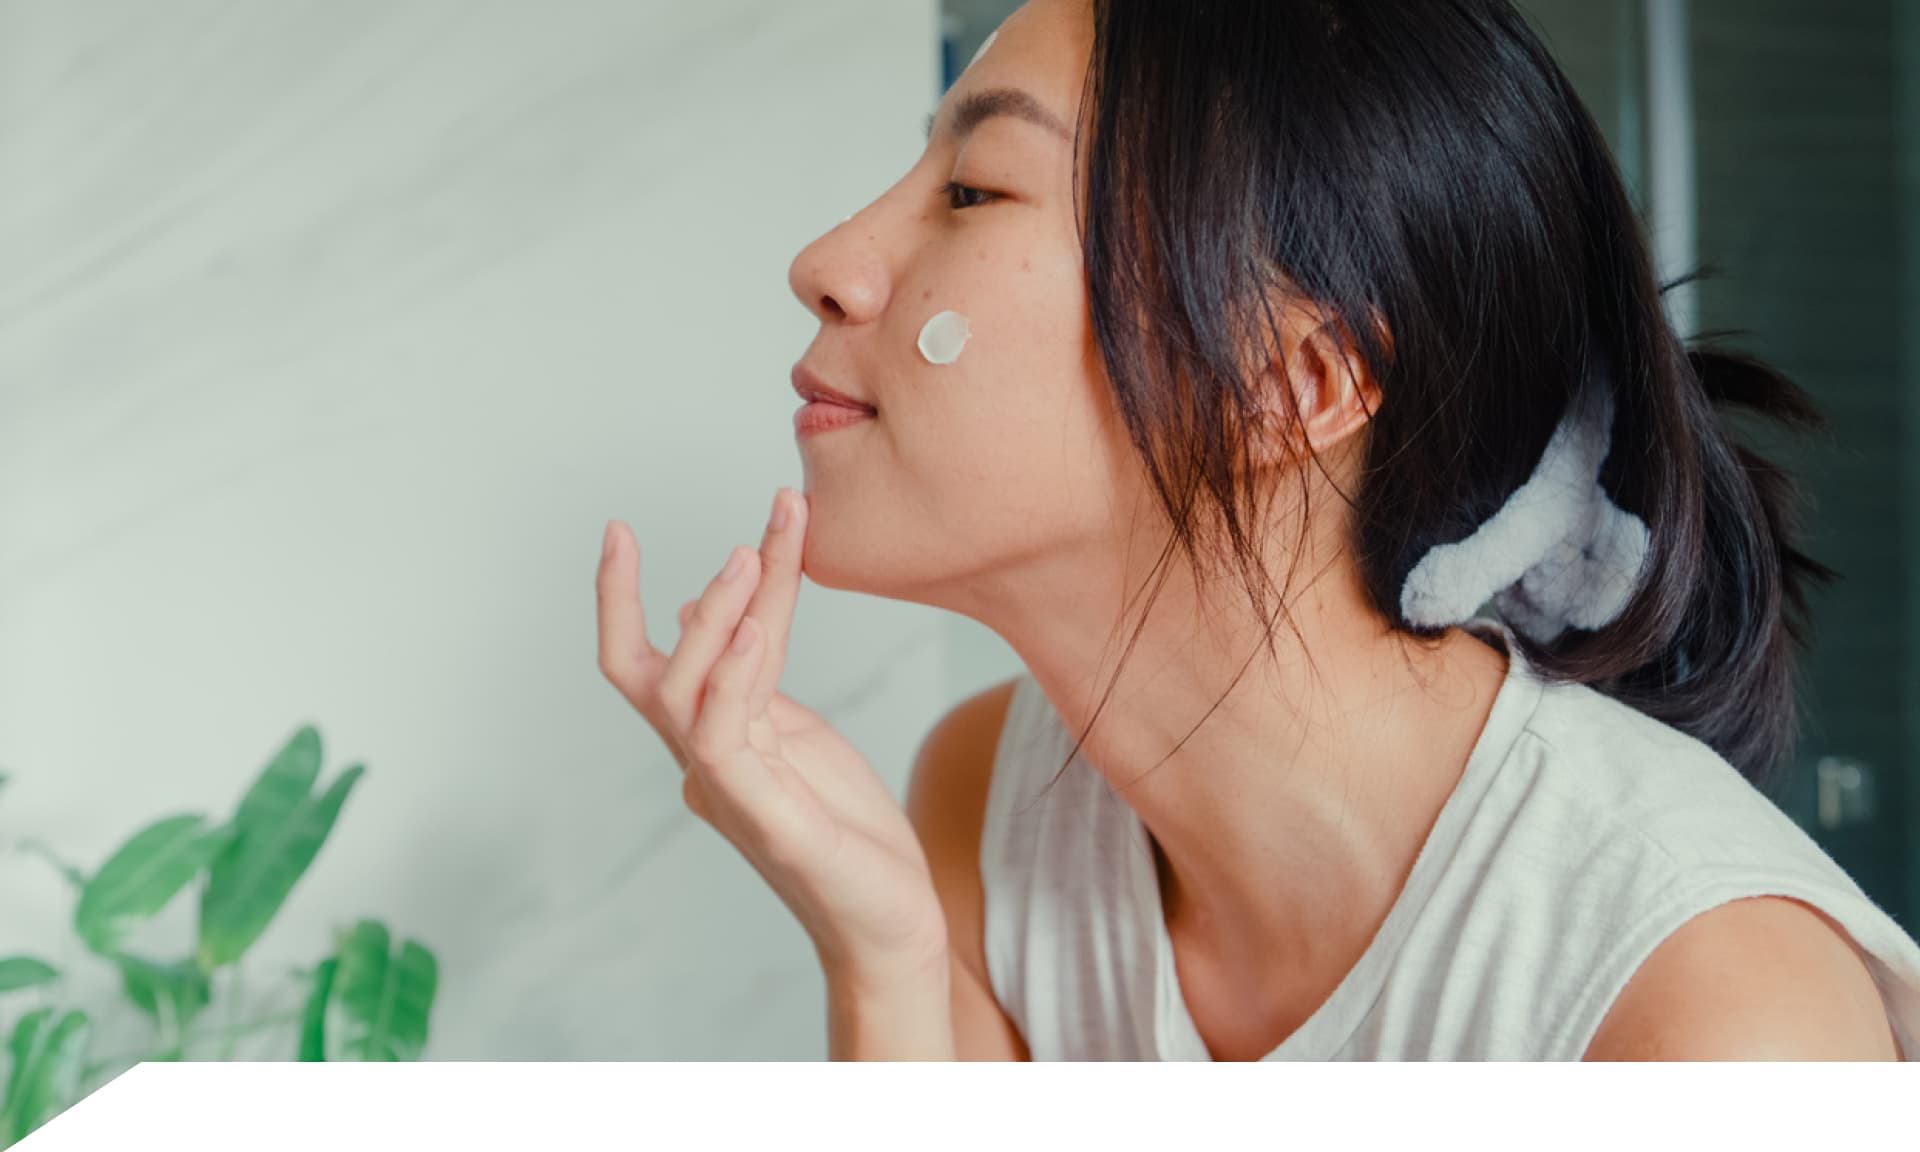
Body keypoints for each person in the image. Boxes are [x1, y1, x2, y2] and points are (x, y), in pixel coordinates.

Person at [595, 0, 1920, 1060]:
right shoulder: (987, 806)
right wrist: (881, 954)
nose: (826, 258)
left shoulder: (1714, 1012)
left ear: (1292, 388)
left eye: (975, 190)